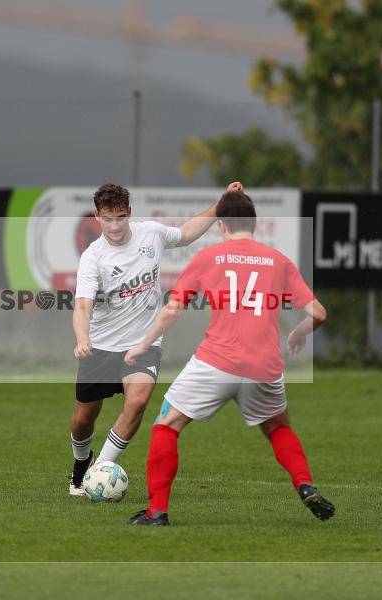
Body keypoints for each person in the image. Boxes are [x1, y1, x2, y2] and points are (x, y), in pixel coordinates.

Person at [123, 188, 334, 525]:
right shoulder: (279, 261)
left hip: (215, 362)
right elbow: (319, 313)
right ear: (254, 224)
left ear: (221, 225)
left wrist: (143, 344)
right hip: (264, 366)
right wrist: (296, 334)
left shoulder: (208, 258)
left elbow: (173, 310)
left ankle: (157, 512)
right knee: (278, 428)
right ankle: (305, 485)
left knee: (166, 425)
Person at [68, 181, 240, 496]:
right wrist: (82, 337)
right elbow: (82, 306)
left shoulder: (152, 234)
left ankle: (98, 473)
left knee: (138, 402)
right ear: (97, 217)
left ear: (129, 213)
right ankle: (81, 463)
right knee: (82, 421)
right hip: (100, 348)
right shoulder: (93, 258)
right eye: (108, 219)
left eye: (120, 217)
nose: (115, 225)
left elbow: (186, 233)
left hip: (142, 346)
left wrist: (221, 205)